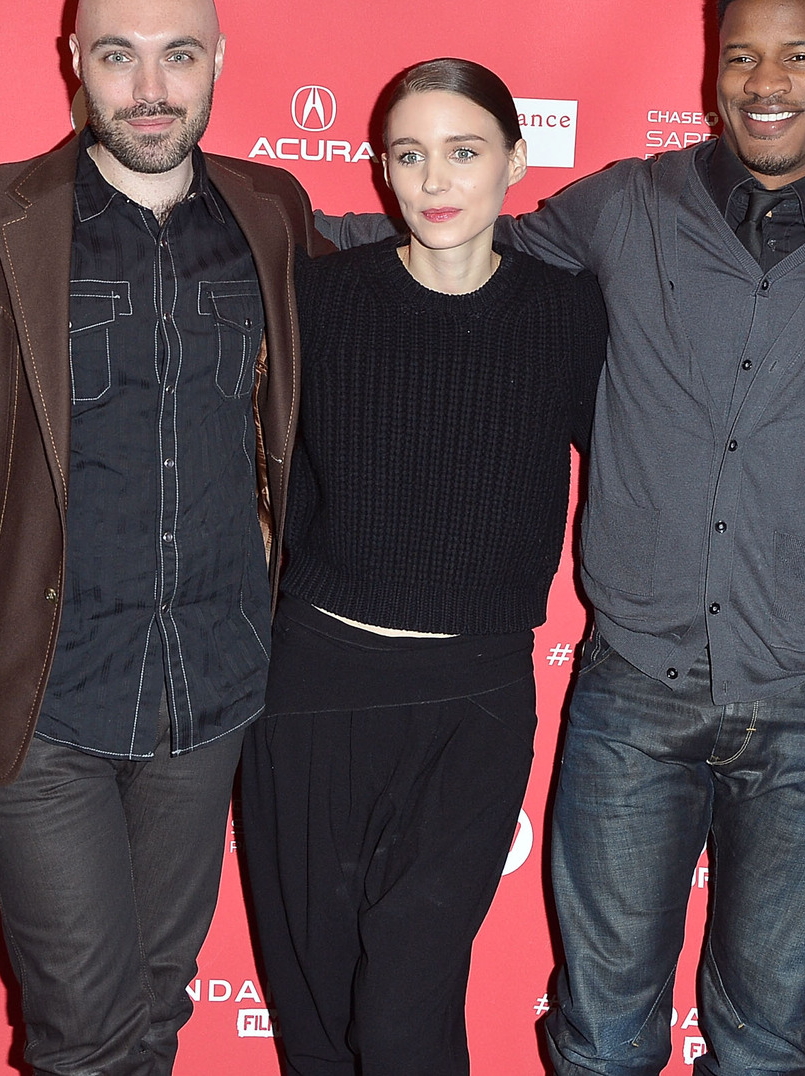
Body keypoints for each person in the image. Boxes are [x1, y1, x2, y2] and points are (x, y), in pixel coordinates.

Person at [319, 0, 805, 1075]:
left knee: (767, 1040)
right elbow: (456, 244)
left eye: (799, 54)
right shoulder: (623, 206)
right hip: (630, 692)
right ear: (711, 75)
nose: (766, 80)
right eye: (740, 56)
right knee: (603, 1034)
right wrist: (245, 224)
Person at [0, 0, 330, 1076]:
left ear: (216, 64)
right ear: (75, 64)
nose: (149, 87)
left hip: (214, 687)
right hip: (37, 693)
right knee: (78, 1030)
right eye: (118, 57)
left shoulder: (273, 214)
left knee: (155, 1010)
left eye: (178, 56)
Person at [243, 59, 607, 1075]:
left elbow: (657, 457)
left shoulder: (569, 312)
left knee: (406, 1002)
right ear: (382, 173)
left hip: (474, 700)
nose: (435, 178)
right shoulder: (317, 298)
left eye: (463, 150)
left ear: (514, 163)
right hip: (312, 688)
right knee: (314, 1015)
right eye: (410, 154)